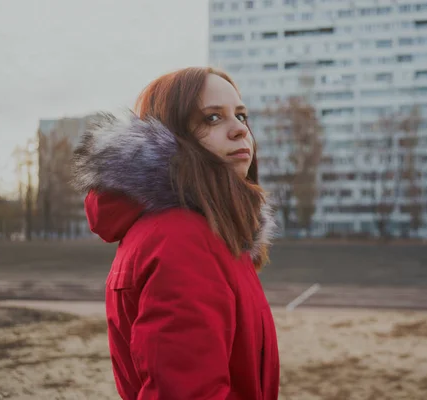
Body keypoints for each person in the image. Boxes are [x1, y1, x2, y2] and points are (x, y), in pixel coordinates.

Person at [72, 67, 279, 400]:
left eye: (241, 116)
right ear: (167, 138)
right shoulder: (182, 239)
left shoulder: (206, 229)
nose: (240, 130)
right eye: (213, 118)